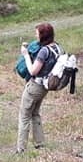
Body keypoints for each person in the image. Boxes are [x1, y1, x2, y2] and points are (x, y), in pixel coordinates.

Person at [17, 22, 59, 153]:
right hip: (45, 87)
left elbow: (33, 71)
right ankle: (39, 143)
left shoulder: (43, 51)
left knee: (24, 116)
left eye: (37, 33)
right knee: (35, 113)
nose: (36, 36)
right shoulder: (57, 47)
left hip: (35, 86)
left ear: (43, 35)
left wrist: (25, 55)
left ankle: (21, 149)